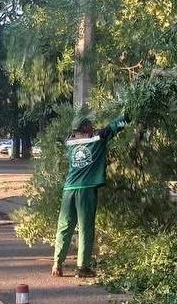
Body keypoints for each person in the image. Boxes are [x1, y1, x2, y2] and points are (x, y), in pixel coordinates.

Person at [52, 108, 128, 278]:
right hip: (86, 190)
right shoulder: (97, 138)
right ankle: (82, 267)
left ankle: (57, 263)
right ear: (86, 128)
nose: (93, 127)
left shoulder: (69, 142)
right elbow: (114, 127)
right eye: (90, 125)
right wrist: (127, 117)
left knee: (64, 226)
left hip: (69, 189)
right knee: (85, 227)